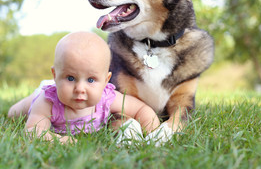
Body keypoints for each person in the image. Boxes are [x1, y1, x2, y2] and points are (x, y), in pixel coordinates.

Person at [8, 31, 160, 144]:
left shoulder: (107, 98)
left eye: (91, 80)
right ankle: (21, 104)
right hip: (42, 94)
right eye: (70, 78)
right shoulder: (47, 102)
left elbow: (141, 109)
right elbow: (33, 131)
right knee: (14, 114)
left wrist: (151, 131)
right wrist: (60, 140)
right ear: (55, 75)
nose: (80, 88)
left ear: (106, 81)